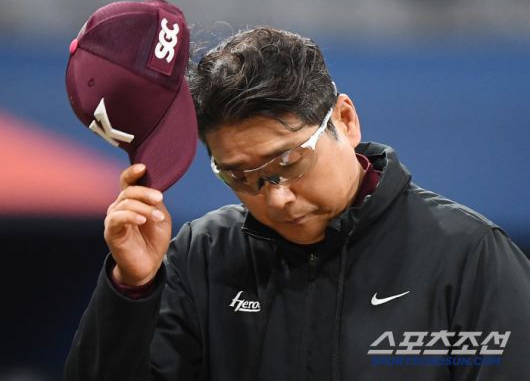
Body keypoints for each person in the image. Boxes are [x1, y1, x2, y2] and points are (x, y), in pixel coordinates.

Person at [64, 27, 530, 381]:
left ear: (345, 120)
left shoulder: (469, 258)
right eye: (240, 177)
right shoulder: (200, 256)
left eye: (288, 162)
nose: (277, 197)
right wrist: (132, 290)